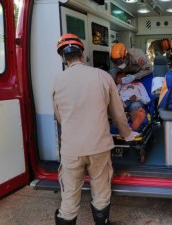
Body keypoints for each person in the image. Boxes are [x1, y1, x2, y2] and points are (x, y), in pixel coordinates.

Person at [52, 33, 138, 225]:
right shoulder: (102, 76)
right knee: (101, 191)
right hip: (99, 146)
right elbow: (117, 113)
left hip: (71, 150)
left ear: (63, 58)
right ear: (82, 53)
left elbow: (59, 116)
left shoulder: (58, 81)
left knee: (69, 198)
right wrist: (127, 133)